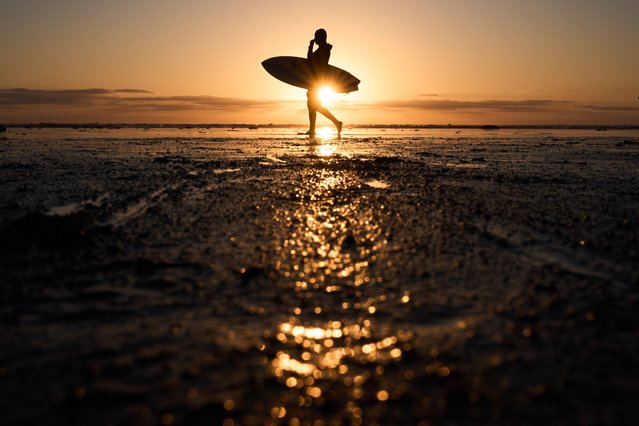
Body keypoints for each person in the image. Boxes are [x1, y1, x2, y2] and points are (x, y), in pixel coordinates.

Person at [306, 29, 343, 137]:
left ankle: (336, 122)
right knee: (311, 105)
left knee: (315, 106)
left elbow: (311, 60)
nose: (315, 38)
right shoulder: (323, 49)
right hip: (315, 80)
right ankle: (312, 129)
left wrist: (310, 47)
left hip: (317, 81)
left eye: (316, 36)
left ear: (321, 37)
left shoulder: (323, 50)